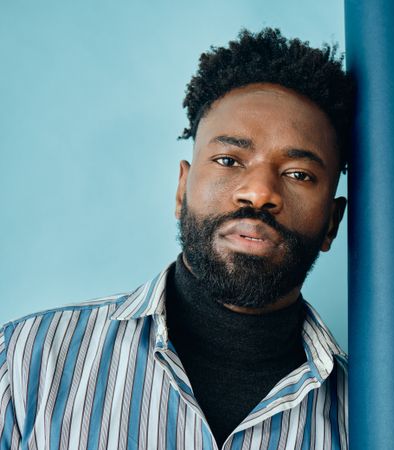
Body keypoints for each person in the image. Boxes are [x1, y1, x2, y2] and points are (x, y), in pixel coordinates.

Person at [0, 28, 353, 450]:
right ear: (182, 189)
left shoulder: (370, 418)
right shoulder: (24, 361)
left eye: (299, 174)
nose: (259, 192)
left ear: (332, 222)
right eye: (228, 160)